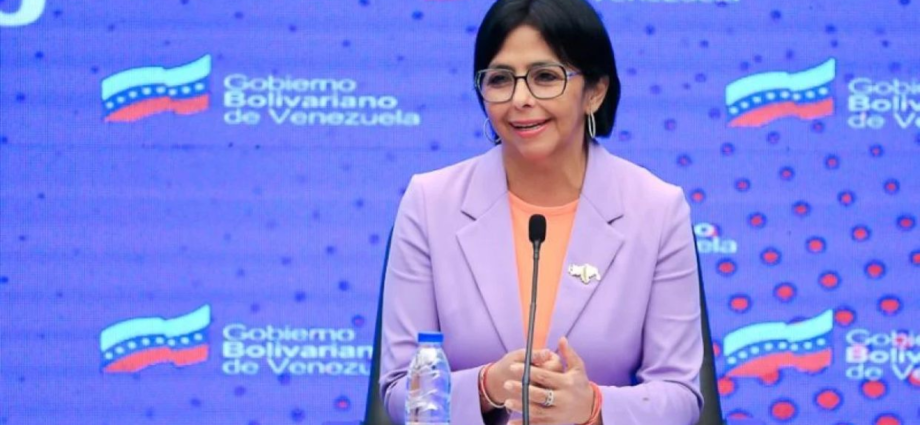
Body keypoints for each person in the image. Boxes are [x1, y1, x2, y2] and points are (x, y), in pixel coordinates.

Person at [379, 0, 703, 424]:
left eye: (545, 77)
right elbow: (400, 389)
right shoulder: (429, 202)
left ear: (595, 91)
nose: (520, 99)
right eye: (500, 79)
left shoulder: (656, 209)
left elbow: (680, 395)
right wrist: (485, 386)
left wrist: (593, 408)